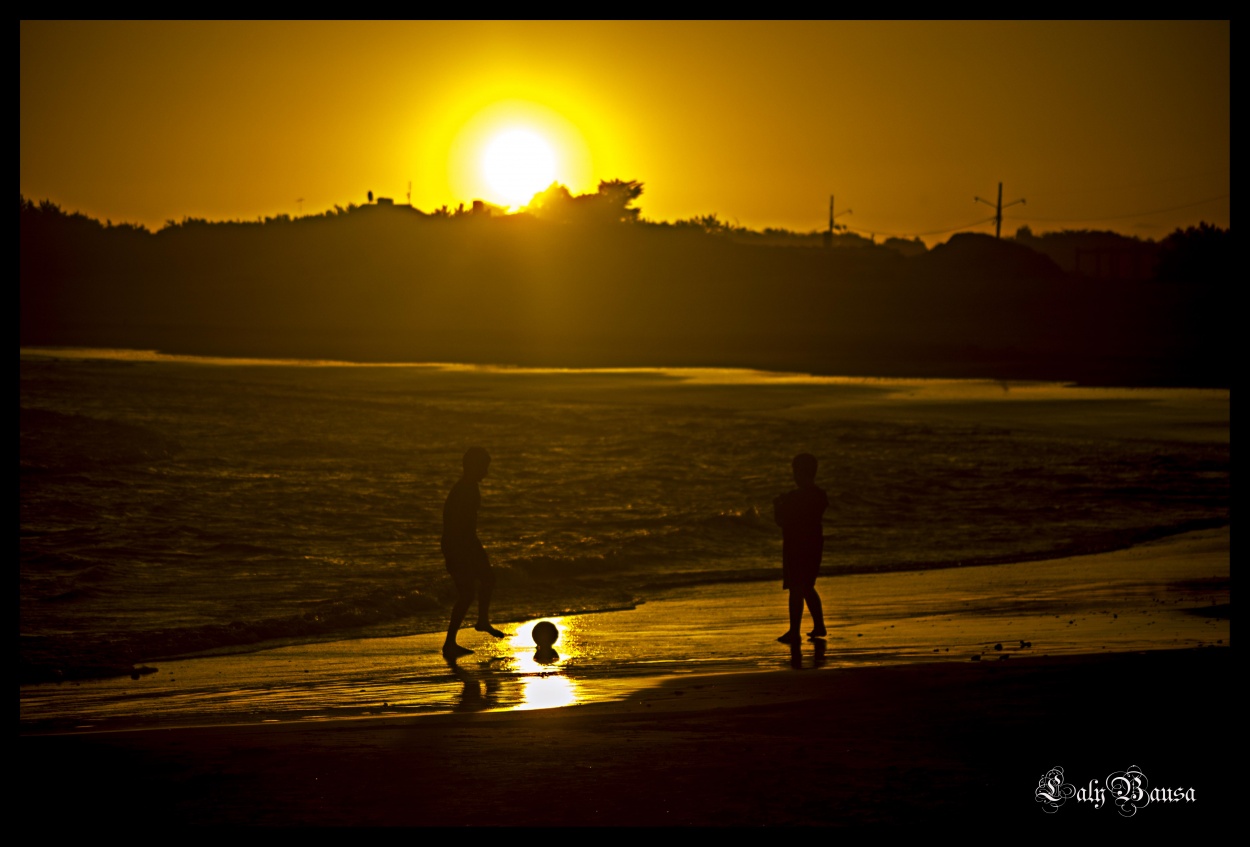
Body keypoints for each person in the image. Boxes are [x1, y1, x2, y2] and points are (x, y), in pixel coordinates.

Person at [441, 447, 506, 656]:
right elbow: (459, 523)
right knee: (470, 591)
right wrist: (468, 548)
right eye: (483, 468)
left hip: (462, 543)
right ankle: (453, 640)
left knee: (484, 582)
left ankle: (480, 622)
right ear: (473, 467)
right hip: (459, 545)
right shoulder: (465, 490)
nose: (486, 472)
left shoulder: (468, 487)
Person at [773, 452, 828, 644]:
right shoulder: (820, 496)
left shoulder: (793, 498)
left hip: (796, 545)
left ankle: (794, 631)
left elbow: (781, 521)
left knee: (797, 587)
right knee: (806, 587)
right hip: (814, 544)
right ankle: (818, 625)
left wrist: (777, 506)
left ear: (799, 473)